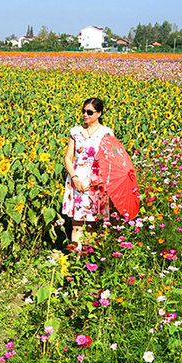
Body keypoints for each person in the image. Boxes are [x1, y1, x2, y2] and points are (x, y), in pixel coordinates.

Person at [61, 97, 114, 249]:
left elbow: (112, 160)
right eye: (83, 111)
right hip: (76, 180)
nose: (85, 115)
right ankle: (75, 261)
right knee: (76, 225)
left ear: (99, 113)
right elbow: (68, 158)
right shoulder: (76, 132)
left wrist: (96, 181)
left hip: (96, 183)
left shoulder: (106, 134)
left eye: (90, 112)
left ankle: (88, 263)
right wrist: (75, 178)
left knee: (91, 227)